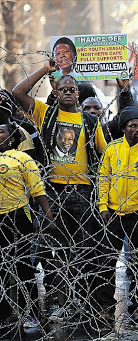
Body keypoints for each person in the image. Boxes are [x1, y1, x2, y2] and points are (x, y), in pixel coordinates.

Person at [13, 59, 108, 322]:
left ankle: (87, 303)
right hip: (53, 191)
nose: (67, 92)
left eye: (72, 89)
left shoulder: (90, 120)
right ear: (55, 92)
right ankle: (63, 304)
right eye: (63, 89)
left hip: (82, 191)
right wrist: (46, 69)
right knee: (56, 250)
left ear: (78, 93)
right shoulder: (46, 114)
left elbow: (104, 153)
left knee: (86, 249)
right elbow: (18, 93)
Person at [97, 106, 138, 324]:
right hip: (113, 213)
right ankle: (106, 305)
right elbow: (103, 177)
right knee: (107, 260)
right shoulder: (112, 149)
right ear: (123, 128)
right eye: (133, 126)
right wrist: (103, 206)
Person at [0, 122, 55, 333]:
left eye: (0, 131)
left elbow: (36, 188)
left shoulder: (22, 158)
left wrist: (48, 215)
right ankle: (4, 313)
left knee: (22, 267)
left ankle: (32, 312)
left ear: (11, 138)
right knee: (3, 268)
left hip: (17, 216)